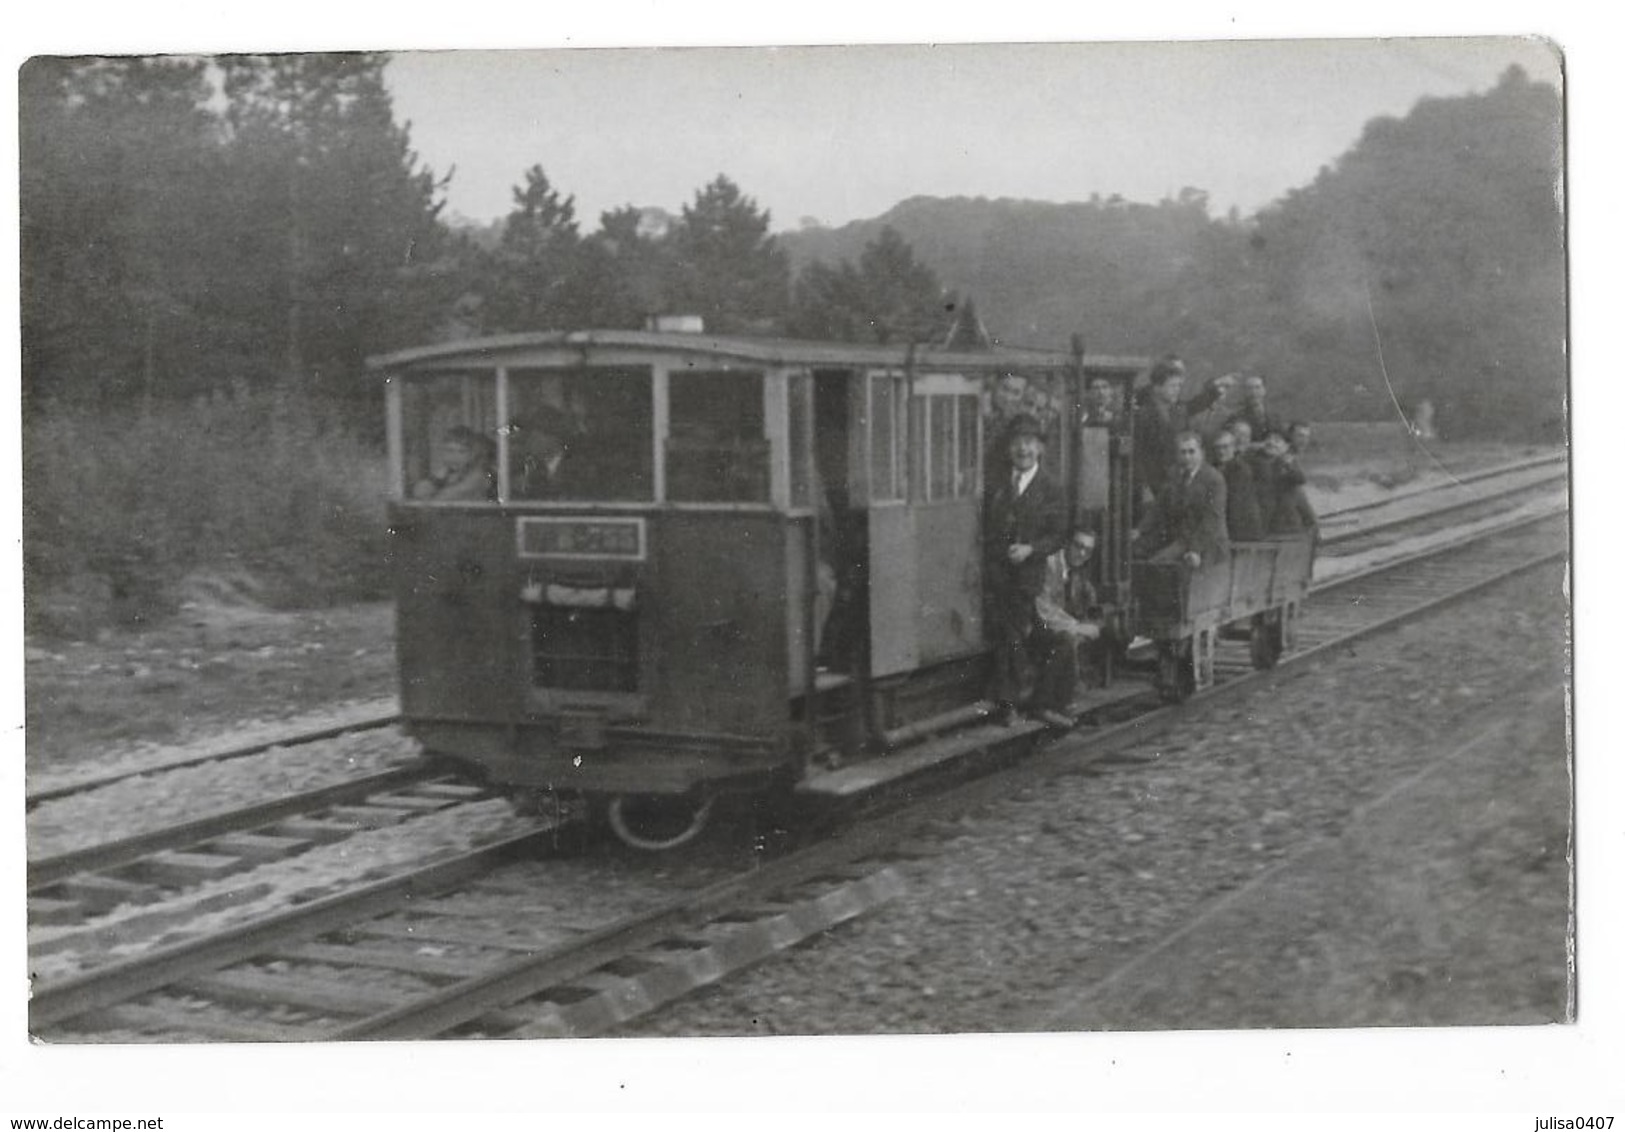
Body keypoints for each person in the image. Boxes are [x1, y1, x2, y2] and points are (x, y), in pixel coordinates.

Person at [984, 414, 1066, 726]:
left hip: (1027, 576)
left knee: (1012, 633)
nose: (1023, 449)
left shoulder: (1051, 487)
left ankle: (1011, 701)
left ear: (1041, 449)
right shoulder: (998, 483)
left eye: (1030, 443)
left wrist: (1031, 549)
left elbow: (1058, 534)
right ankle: (1021, 696)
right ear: (1008, 449)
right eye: (1018, 443)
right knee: (1007, 632)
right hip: (995, 572)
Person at [1131, 354, 1224, 520]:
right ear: (1157, 387)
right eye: (1173, 386)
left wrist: (1214, 392)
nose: (1177, 390)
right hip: (1154, 484)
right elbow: (1137, 455)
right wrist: (1144, 488)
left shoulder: (1178, 410)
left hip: (1178, 479)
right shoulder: (1142, 415)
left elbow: (1193, 406)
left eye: (1179, 386)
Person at [1030, 529, 1104, 727]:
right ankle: (1043, 705)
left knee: (1070, 637)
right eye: (1078, 546)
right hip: (1034, 625)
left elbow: (1091, 601)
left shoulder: (1078, 570)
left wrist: (1094, 623)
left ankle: (1066, 699)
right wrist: (1077, 627)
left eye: (1088, 551)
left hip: (1055, 625)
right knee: (1066, 639)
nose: (1082, 554)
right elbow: (1043, 608)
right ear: (1067, 544)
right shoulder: (1049, 564)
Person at [1132, 430, 1229, 568]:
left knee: (1158, 563)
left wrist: (1195, 550)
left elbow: (1212, 519)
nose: (1187, 457)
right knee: (1134, 551)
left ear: (1201, 452)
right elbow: (1159, 507)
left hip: (1206, 543)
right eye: (1183, 452)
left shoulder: (1213, 480)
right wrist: (1140, 530)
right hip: (1180, 538)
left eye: (1191, 452)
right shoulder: (1175, 475)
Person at [412, 426, 496, 502]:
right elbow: (419, 493)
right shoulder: (447, 473)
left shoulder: (478, 476)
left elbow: (442, 499)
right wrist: (437, 478)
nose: (454, 457)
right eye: (449, 451)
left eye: (462, 452)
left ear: (472, 455)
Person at [1250, 428, 1308, 535]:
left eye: (1277, 440)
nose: (1271, 443)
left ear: (1286, 447)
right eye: (1268, 439)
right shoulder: (1256, 461)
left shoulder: (1288, 463)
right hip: (1264, 521)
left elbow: (1300, 479)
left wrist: (1288, 465)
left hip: (1286, 523)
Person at [1211, 427, 1265, 541]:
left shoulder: (1241, 470)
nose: (1221, 452)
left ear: (1234, 448)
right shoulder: (1214, 467)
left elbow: (1234, 504)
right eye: (1217, 448)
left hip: (1242, 530)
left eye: (1225, 447)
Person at [1225, 374, 1285, 442]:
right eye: (1249, 388)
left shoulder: (1274, 417)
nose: (1253, 392)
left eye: (1257, 387)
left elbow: (1283, 439)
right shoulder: (1236, 417)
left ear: (1264, 390)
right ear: (1244, 392)